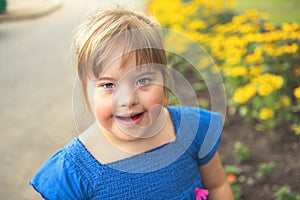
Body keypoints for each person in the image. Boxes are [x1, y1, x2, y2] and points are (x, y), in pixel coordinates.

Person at [30, 5, 233, 200]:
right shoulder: (74, 170)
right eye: (109, 85)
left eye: (142, 81)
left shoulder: (192, 130)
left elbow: (217, 185)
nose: (128, 100)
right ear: (87, 91)